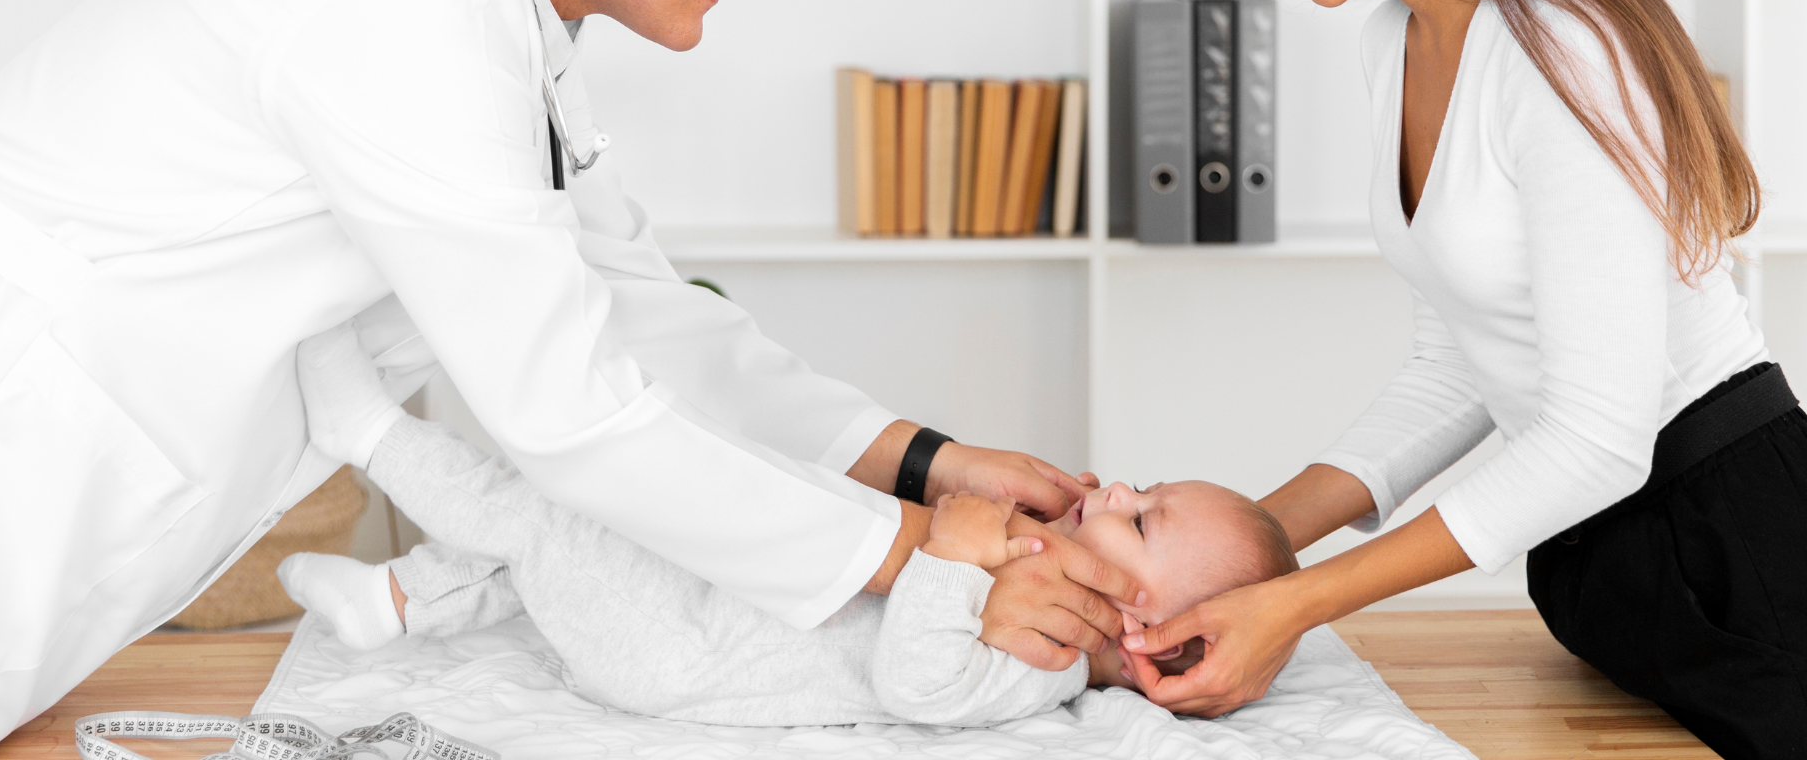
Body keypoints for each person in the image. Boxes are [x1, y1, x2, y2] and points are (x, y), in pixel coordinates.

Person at [0, 0, 1141, 755]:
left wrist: (931, 466)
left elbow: (641, 313)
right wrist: (926, 553)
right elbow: (571, 417)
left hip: (54, 466)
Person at [1113, 0, 1806, 755]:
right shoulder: (1392, 43)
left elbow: (1598, 436)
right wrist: (1244, 551)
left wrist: (1298, 601)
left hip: (1739, 546)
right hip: (1599, 562)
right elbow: (1460, 365)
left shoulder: (1565, 51)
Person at [277, 318, 1297, 726]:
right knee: (600, 529)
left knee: (551, 513)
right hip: (702, 604)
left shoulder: (1049, 658)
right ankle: (397, 602)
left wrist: (947, 556)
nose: (1116, 492)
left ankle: (366, 433)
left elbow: (921, 683)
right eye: (1144, 485)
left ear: (1140, 630)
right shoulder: (1029, 571)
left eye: (1145, 521)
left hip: (672, 654)